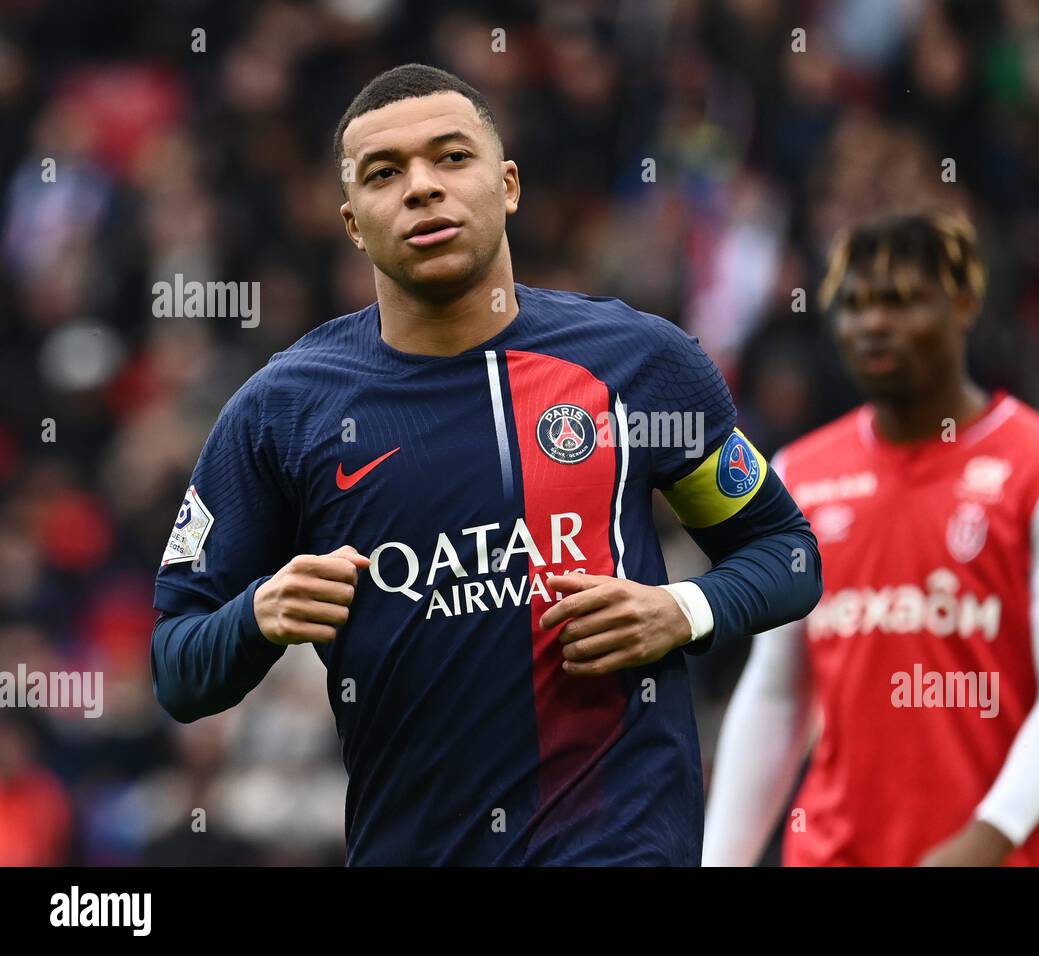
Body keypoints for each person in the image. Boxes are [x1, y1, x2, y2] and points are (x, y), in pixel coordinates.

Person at [149, 63, 821, 866]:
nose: (423, 188)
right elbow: (178, 667)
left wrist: (683, 610)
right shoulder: (281, 413)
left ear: (507, 185)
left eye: (451, 158)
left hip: (616, 844)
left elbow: (785, 552)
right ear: (353, 222)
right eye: (385, 173)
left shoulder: (638, 364)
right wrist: (258, 613)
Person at [702, 210, 1039, 866]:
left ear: (963, 304)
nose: (872, 323)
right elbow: (778, 691)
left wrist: (985, 840)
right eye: (856, 304)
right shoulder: (796, 477)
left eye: (901, 302)